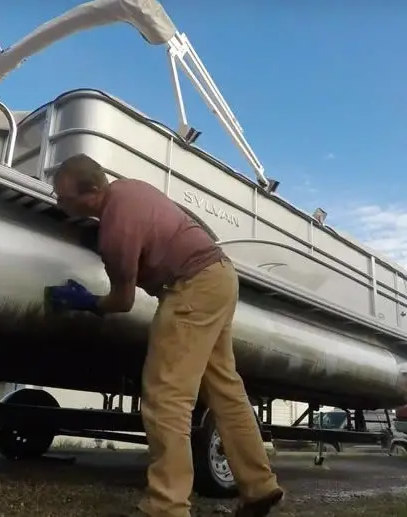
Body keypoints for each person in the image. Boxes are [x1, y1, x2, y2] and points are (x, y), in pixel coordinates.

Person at [46, 154, 284, 517]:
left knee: (166, 398)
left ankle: (166, 506)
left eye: (63, 197)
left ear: (92, 191)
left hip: (190, 287)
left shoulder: (116, 230)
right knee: (225, 391)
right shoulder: (129, 189)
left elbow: (123, 301)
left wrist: (88, 302)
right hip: (220, 276)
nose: (59, 202)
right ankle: (260, 487)